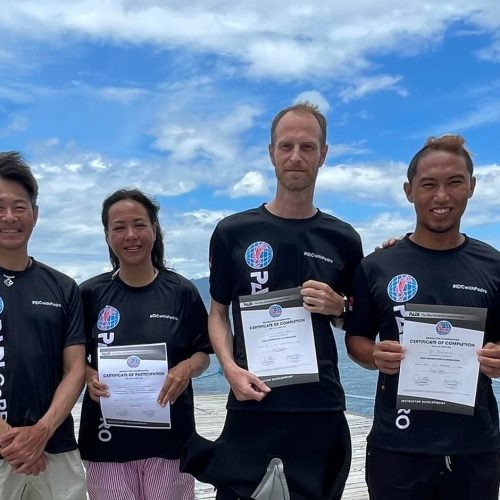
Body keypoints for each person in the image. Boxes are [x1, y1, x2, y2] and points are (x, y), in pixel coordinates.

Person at [182, 102, 363, 499]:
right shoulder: (233, 232)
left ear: (323, 154)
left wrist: (338, 306)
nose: (296, 156)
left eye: (307, 146)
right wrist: (229, 369)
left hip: (320, 408)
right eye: (286, 146)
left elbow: (357, 320)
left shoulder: (344, 239)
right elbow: (218, 313)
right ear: (271, 153)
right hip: (252, 402)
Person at [344, 135, 500, 499]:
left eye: (454, 182)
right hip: (397, 447)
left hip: (474, 446)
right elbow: (355, 338)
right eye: (429, 184)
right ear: (409, 191)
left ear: (472, 187)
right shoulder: (377, 266)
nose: (441, 196)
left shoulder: (493, 266)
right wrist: (373, 355)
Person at [78, 188, 212, 500]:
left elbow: (204, 352)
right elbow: (71, 356)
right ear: (107, 235)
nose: (130, 235)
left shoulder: (182, 291)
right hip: (106, 440)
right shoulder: (90, 293)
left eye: (139, 224)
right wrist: (88, 375)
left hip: (171, 441)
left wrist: (186, 368)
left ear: (154, 229)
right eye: (119, 227)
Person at [0, 152, 87, 499]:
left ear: (34, 214)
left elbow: (75, 369)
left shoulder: (63, 287)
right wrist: (13, 443)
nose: (9, 217)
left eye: (19, 207)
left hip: (56, 447)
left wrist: (41, 432)